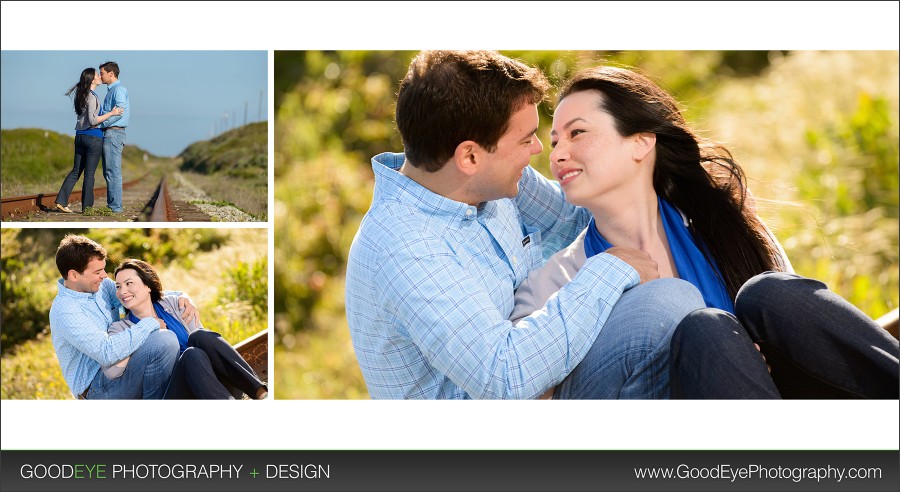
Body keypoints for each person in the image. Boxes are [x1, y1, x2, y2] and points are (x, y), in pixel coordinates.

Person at [516, 65, 899, 399]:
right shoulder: (554, 283)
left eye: (576, 133)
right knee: (706, 330)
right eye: (554, 142)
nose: (557, 154)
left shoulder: (729, 230)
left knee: (771, 292)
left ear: (641, 142)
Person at [345, 50, 706, 400]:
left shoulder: (488, 181)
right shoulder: (406, 247)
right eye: (524, 139)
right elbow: (506, 377)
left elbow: (577, 217)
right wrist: (611, 270)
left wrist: (691, 195)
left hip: (549, 382)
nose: (538, 149)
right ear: (469, 156)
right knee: (664, 306)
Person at [49, 235, 197, 399]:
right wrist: (150, 324)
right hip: (98, 388)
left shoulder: (100, 286)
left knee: (169, 341)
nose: (105, 275)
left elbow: (134, 295)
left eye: (103, 269)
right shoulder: (65, 311)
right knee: (164, 340)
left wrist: (180, 296)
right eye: (98, 271)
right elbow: (107, 352)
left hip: (125, 363)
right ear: (74, 275)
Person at [106, 259, 268, 400]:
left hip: (214, 388)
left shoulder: (174, 304)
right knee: (192, 355)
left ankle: (261, 394)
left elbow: (208, 347)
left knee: (200, 336)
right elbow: (112, 372)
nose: (123, 291)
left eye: (129, 283)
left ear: (147, 285)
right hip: (175, 394)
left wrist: (184, 296)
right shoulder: (120, 329)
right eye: (118, 286)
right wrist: (144, 331)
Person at [54, 68, 123, 214]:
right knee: (89, 173)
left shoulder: (81, 95)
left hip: (79, 136)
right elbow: (92, 120)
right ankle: (87, 208)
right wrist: (112, 113)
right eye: (97, 75)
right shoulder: (92, 97)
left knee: (75, 171)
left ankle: (61, 200)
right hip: (93, 137)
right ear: (92, 80)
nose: (99, 77)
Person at [98, 61, 129, 213]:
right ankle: (113, 206)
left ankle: (115, 207)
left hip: (114, 132)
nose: (100, 76)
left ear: (111, 73)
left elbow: (120, 111)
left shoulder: (118, 90)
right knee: (109, 171)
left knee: (113, 171)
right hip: (110, 132)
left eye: (102, 73)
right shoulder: (112, 90)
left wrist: (101, 124)